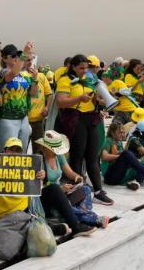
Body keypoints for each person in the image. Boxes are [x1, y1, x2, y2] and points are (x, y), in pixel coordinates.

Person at [0, 138, 96, 241]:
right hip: (4, 219)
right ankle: (51, 227)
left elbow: (36, 191)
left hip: (25, 211)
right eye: (11, 149)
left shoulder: (27, 168)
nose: (14, 153)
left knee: (54, 189)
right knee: (26, 227)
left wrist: (40, 178)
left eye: (17, 150)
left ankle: (75, 226)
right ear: (4, 151)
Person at [55, 54, 113, 205]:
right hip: (74, 119)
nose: (84, 70)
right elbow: (61, 102)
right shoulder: (65, 80)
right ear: (72, 67)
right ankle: (80, 191)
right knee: (77, 156)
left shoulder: (90, 78)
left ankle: (98, 190)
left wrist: (101, 99)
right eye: (81, 68)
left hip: (90, 118)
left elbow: (96, 98)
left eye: (86, 67)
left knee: (93, 156)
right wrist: (79, 98)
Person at [37, 131, 109, 229]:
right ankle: (92, 218)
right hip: (50, 196)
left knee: (86, 189)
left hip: (62, 192)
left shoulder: (58, 156)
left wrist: (77, 177)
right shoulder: (38, 160)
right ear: (45, 148)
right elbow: (38, 189)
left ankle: (79, 214)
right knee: (61, 197)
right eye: (53, 149)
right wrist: (61, 189)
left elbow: (70, 172)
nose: (56, 151)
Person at [0, 43, 36, 153]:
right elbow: (12, 73)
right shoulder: (4, 72)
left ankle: (21, 171)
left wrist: (35, 79)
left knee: (22, 152)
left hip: (23, 117)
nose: (15, 58)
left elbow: (32, 93)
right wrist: (25, 54)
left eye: (16, 56)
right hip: (8, 117)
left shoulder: (25, 75)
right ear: (4, 58)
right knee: (7, 151)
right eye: (12, 56)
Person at [100, 121, 144, 190]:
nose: (123, 135)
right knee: (127, 153)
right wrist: (120, 157)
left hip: (118, 174)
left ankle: (136, 182)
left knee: (140, 165)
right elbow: (104, 156)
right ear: (112, 133)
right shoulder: (108, 141)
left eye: (123, 132)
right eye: (120, 133)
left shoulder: (119, 142)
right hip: (109, 176)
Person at [27, 56, 54, 155]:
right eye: (28, 60)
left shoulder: (42, 76)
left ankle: (37, 170)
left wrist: (47, 107)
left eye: (32, 60)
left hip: (38, 120)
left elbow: (49, 94)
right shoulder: (21, 76)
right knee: (21, 150)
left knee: (38, 151)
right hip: (23, 121)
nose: (30, 63)